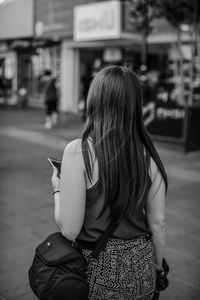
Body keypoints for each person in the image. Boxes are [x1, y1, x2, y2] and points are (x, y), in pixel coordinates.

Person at [51, 65, 168, 299]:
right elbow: (158, 223)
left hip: (96, 266)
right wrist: (157, 269)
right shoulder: (149, 155)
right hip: (142, 264)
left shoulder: (79, 151)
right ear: (134, 104)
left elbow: (69, 229)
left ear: (95, 99)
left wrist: (57, 189)